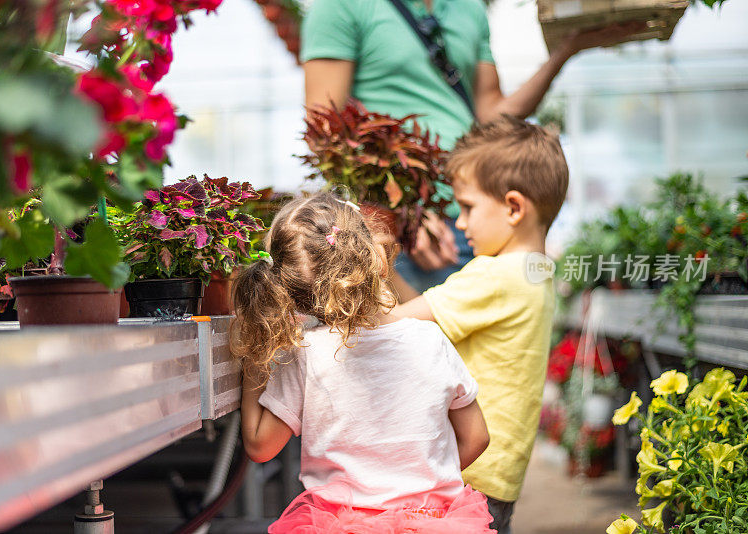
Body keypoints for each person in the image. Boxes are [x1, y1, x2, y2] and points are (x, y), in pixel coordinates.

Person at [302, 0, 643, 290]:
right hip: (396, 232)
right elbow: (326, 132)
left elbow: (492, 114)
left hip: (472, 215)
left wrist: (564, 51)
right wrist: (406, 214)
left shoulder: (469, 7)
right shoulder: (341, 5)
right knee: (405, 354)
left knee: (474, 357)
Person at [231, 192, 497, 533]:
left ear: (294, 293)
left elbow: (260, 445)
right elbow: (476, 437)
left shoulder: (306, 354)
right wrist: (418, 483)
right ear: (379, 260)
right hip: (433, 522)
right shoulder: (431, 339)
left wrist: (257, 353)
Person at [392, 115, 569, 534]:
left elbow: (395, 325)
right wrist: (386, 269)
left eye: (467, 208)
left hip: (466, 467)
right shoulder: (536, 272)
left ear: (513, 207)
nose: (461, 222)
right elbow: (423, 310)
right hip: (499, 473)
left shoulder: (494, 276)